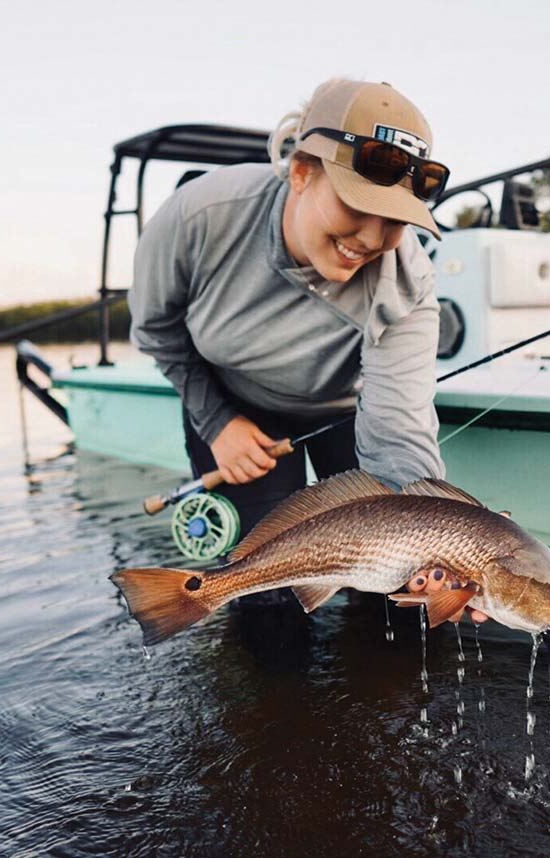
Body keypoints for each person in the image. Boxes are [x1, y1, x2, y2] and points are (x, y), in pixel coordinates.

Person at [129, 78, 486, 621]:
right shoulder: (199, 215)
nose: (371, 237)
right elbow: (158, 332)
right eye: (355, 205)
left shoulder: (407, 281)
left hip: (348, 414)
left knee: (398, 603)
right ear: (301, 172)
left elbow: (399, 438)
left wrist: (434, 554)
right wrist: (218, 422)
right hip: (234, 406)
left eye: (396, 218)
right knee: (268, 610)